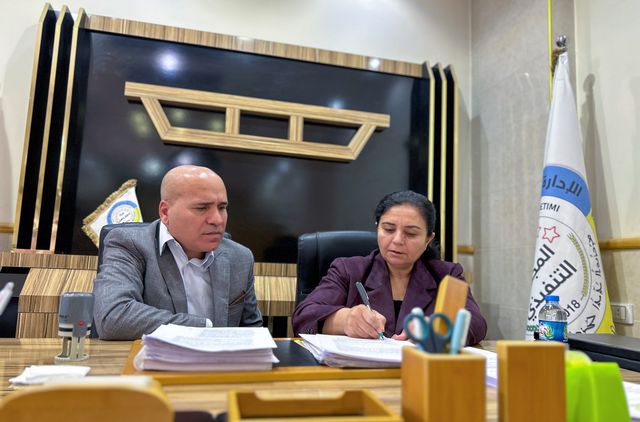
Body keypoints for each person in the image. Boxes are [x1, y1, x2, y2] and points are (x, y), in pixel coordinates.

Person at [292, 190, 487, 344]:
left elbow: (477, 323)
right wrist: (346, 320)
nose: (397, 240)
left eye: (411, 233)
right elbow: (304, 317)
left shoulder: (446, 275)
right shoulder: (349, 270)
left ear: (428, 239)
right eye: (388, 229)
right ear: (377, 228)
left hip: (422, 372)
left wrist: (439, 328)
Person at [93, 165, 262, 340]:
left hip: (221, 358)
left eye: (222, 207)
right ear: (165, 212)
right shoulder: (129, 244)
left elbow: (253, 332)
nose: (217, 220)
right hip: (150, 357)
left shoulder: (240, 257)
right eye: (202, 208)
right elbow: (113, 317)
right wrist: (205, 329)